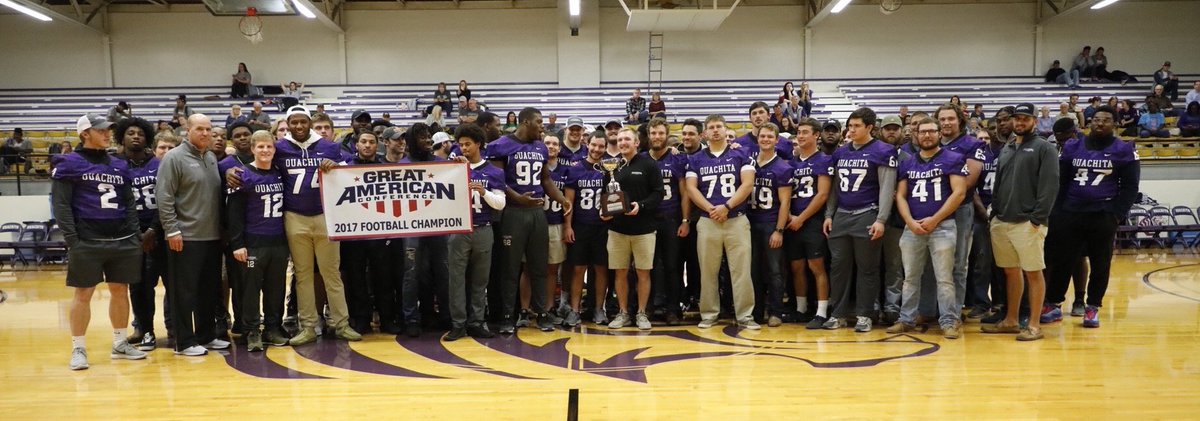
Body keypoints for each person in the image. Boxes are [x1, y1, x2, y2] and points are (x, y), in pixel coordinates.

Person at [226, 106, 361, 345]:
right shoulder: (280, 147)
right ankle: (307, 326)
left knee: (332, 273)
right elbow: (256, 157)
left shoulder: (329, 146)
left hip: (325, 215)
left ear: (309, 122)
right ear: (288, 124)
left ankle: (341, 323)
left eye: (303, 122)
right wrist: (230, 169)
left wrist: (337, 166)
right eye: (294, 122)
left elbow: (353, 170)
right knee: (302, 274)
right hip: (294, 217)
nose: (299, 126)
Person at [53, 113, 148, 370]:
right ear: (85, 134)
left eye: (108, 130)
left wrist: (134, 233)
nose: (107, 134)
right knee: (83, 293)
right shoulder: (69, 163)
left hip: (122, 239)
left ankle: (120, 343)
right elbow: (61, 205)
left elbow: (129, 202)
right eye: (101, 130)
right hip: (87, 240)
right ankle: (78, 348)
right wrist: (73, 239)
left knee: (120, 290)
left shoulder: (119, 164)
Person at [1043, 105, 1139, 329]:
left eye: (1105, 120)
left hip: (1102, 214)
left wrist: (1116, 214)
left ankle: (1092, 306)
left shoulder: (1124, 149)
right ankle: (1054, 303)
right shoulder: (1072, 146)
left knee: (1100, 263)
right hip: (1071, 212)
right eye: (1096, 119)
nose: (1100, 123)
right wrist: (1058, 211)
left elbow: (1130, 187)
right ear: (1090, 122)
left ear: (1114, 123)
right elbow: (1061, 181)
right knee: (1063, 260)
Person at [485, 107, 572, 334]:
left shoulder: (540, 147)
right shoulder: (501, 145)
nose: (542, 126)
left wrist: (562, 200)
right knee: (510, 268)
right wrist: (517, 197)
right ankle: (507, 316)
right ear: (525, 122)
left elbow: (546, 180)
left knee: (539, 266)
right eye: (539, 122)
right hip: (512, 213)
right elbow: (497, 180)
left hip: (537, 214)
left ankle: (542, 313)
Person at [982, 103, 1059, 341]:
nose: (1020, 122)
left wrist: (1037, 218)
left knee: (1033, 273)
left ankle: (1034, 325)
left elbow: (1050, 186)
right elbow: (999, 182)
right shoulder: (1007, 147)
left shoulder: (1045, 148)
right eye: (1017, 118)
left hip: (1028, 222)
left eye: (1026, 118)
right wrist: (995, 213)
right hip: (1002, 219)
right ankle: (1011, 320)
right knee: (1010, 272)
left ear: (1035, 121)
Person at [887, 116, 969, 339]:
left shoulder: (953, 158)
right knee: (910, 277)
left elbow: (959, 193)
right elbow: (900, 196)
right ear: (916, 134)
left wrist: (935, 219)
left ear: (939, 133)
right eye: (922, 131)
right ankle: (906, 319)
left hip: (943, 226)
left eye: (932, 131)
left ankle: (949, 321)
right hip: (912, 228)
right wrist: (910, 222)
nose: (927, 135)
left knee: (944, 278)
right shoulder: (907, 162)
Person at [156, 113, 228, 356]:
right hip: (185, 236)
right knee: (184, 292)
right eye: (200, 129)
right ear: (188, 130)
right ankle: (184, 342)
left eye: (208, 129)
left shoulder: (210, 157)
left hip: (211, 237)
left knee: (208, 290)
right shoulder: (174, 157)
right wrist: (172, 229)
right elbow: (164, 196)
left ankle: (206, 335)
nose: (205, 133)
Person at [821, 108, 896, 332]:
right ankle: (838, 314)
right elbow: (834, 188)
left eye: (856, 126)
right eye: (850, 126)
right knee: (838, 267)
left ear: (869, 127)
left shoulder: (884, 151)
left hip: (868, 213)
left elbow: (887, 188)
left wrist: (881, 219)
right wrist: (829, 214)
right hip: (842, 215)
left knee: (868, 268)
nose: (851, 130)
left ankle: (865, 314)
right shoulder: (841, 152)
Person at [684, 114, 758, 330]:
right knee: (708, 271)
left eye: (719, 126)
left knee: (741, 270)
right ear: (705, 133)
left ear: (726, 130)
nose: (715, 130)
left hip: (736, 218)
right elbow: (691, 188)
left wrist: (726, 207)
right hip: (708, 220)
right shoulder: (696, 159)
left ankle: (745, 315)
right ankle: (708, 314)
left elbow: (747, 184)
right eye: (711, 127)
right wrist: (711, 209)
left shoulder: (741, 154)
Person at [225, 130, 289, 351]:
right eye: (260, 146)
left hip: (278, 242)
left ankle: (272, 328)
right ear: (252, 149)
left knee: (276, 288)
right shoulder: (242, 175)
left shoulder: (280, 173)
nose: (265, 150)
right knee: (250, 289)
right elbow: (234, 213)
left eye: (269, 146)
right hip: (253, 243)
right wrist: (237, 244)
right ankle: (251, 330)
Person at [443, 124, 505, 340]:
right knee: (456, 279)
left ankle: (477, 322)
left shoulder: (494, 172)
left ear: (478, 144)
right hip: (459, 229)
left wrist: (484, 192)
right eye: (461, 145)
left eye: (468, 144)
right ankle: (458, 324)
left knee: (480, 280)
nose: (464, 148)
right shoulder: (453, 169)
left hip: (483, 228)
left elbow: (500, 204)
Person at [602, 127, 664, 330]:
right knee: (620, 272)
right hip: (617, 229)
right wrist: (605, 212)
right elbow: (605, 195)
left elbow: (658, 193)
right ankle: (623, 312)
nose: (623, 142)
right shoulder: (611, 167)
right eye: (620, 139)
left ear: (636, 142)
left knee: (643, 273)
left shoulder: (649, 164)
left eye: (627, 139)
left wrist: (641, 206)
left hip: (644, 229)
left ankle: (642, 313)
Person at [115, 118, 167, 352]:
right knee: (138, 286)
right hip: (131, 234)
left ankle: (175, 328)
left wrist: (154, 229)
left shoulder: (159, 164)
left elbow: (167, 199)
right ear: (122, 138)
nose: (136, 136)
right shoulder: (115, 165)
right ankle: (145, 331)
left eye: (140, 133)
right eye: (130, 133)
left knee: (169, 283)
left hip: (160, 230)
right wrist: (135, 232)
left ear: (147, 138)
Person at [396, 123, 452, 337]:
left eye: (429, 136)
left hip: (439, 225)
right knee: (412, 274)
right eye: (422, 137)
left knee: (443, 272)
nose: (428, 140)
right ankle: (411, 319)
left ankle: (446, 315)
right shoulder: (401, 166)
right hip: (412, 227)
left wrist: (459, 167)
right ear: (412, 140)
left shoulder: (443, 164)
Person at [643, 119, 690, 325]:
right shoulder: (641, 159)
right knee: (648, 266)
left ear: (667, 135)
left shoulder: (677, 159)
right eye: (653, 133)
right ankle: (649, 307)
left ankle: (672, 309)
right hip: (648, 221)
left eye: (661, 133)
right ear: (648, 135)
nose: (657, 137)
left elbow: (685, 193)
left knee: (673, 266)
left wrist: (685, 220)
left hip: (671, 219)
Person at [787, 119, 833, 329]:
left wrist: (801, 218)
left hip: (813, 221)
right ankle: (801, 309)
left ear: (816, 135)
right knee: (796, 266)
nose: (801, 135)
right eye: (799, 132)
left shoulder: (823, 160)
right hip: (792, 221)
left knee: (817, 266)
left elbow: (822, 194)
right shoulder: (792, 162)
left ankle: (821, 311)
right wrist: (790, 217)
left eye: (805, 132)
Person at [746, 123, 793, 327]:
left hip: (770, 223)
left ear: (776, 140)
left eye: (769, 137)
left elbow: (785, 202)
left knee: (774, 270)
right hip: (749, 223)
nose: (765, 139)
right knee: (753, 270)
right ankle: (756, 312)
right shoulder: (748, 164)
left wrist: (779, 230)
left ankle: (776, 312)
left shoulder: (783, 167)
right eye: (762, 136)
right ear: (757, 139)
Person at [562, 134, 610, 326]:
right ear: (587, 144)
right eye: (594, 145)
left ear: (605, 148)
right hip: (580, 226)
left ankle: (598, 308)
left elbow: (614, 197)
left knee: (601, 268)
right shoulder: (575, 169)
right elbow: (568, 202)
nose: (597, 149)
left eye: (601, 146)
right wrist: (568, 226)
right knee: (578, 268)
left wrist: (611, 214)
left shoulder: (609, 169)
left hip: (602, 228)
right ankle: (575, 310)